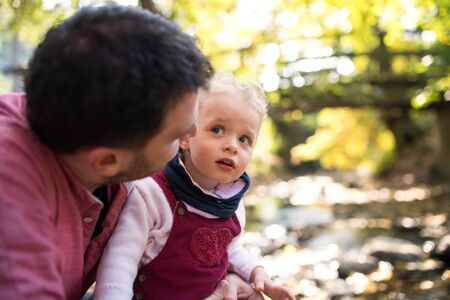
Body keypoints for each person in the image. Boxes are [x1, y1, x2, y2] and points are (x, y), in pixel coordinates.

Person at [0, 5, 215, 299]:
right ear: (107, 161)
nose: (192, 135)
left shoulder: (92, 133)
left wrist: (227, 276)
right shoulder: (11, 190)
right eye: (176, 136)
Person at [94, 75, 296, 300]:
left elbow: (230, 250)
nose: (231, 146)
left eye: (244, 139)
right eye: (218, 129)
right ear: (185, 136)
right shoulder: (151, 194)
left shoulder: (232, 204)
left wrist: (256, 272)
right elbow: (119, 263)